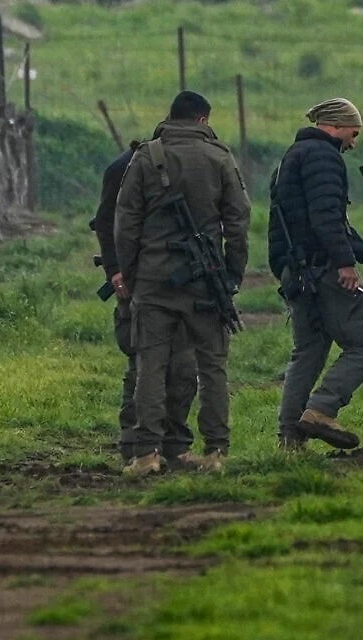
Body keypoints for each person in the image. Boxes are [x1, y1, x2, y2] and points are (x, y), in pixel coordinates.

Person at [115, 91, 251, 475]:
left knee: (150, 366)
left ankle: (146, 454)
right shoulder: (220, 157)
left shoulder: (145, 157)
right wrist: (231, 276)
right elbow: (238, 223)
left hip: (154, 281)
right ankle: (216, 452)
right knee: (212, 367)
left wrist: (130, 271)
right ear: (203, 120)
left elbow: (126, 221)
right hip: (205, 284)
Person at [268, 98, 363, 451]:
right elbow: (325, 216)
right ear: (336, 125)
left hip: (297, 272)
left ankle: (290, 439)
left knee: (308, 351)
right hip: (323, 268)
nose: (354, 141)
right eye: (354, 132)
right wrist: (345, 263)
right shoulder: (323, 157)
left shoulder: (292, 156)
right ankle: (321, 409)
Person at [92, 143, 199, 468]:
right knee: (143, 365)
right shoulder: (123, 168)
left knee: (181, 367)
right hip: (138, 281)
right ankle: (136, 446)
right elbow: (106, 222)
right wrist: (115, 271)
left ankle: (173, 446)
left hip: (171, 280)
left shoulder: (185, 165)